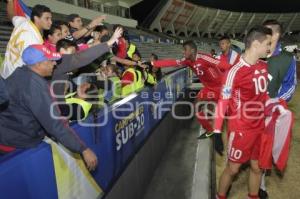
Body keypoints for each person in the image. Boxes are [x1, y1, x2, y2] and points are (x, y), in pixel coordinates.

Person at [0, 45, 98, 171]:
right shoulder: (35, 86)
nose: (54, 64)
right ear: (38, 64)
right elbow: (55, 125)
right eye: (50, 60)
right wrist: (83, 149)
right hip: (17, 146)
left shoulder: (18, 73)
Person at [202, 26, 272, 199]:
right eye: (268, 44)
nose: (270, 48)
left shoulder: (264, 66)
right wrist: (217, 132)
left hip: (260, 127)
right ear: (256, 44)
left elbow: (263, 96)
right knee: (233, 169)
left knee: (257, 168)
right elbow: (223, 102)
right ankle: (220, 196)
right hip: (242, 129)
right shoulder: (234, 72)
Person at [258, 19, 298, 199]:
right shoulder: (255, 52)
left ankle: (261, 183)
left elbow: (291, 86)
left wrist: (274, 102)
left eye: (265, 31)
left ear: (275, 35)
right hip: (249, 110)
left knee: (265, 147)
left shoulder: (287, 59)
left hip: (270, 112)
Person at [1, 3, 52, 78]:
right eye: (47, 18)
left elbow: (11, 15)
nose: (50, 22)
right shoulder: (33, 40)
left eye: (50, 19)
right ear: (36, 18)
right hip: (15, 79)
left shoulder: (23, 21)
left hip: (5, 72)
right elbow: (34, 67)